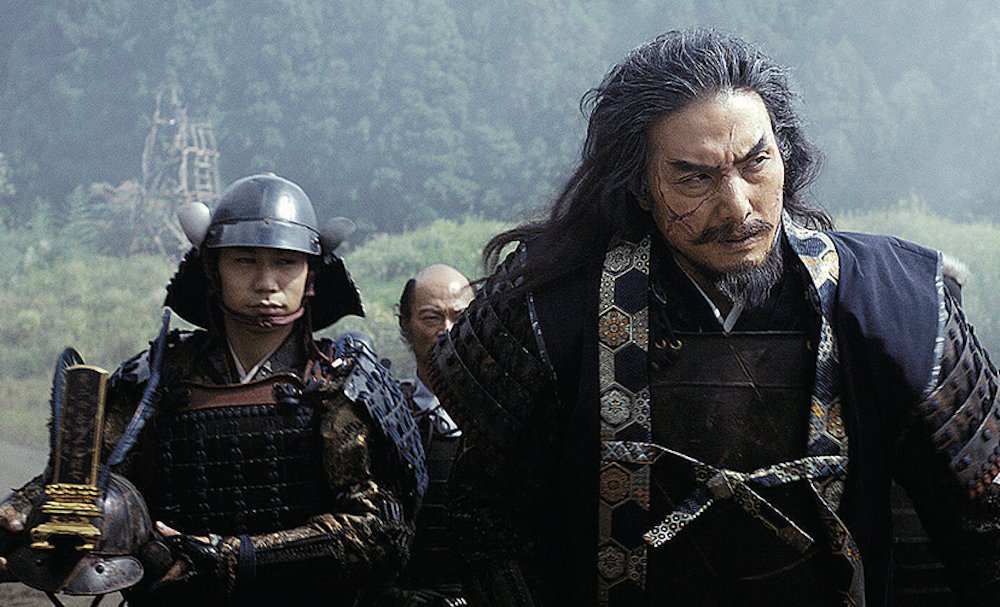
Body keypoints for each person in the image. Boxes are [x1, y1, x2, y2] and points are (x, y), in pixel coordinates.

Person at [425, 29, 1000, 606]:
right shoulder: (548, 309)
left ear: (785, 154)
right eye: (695, 177)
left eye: (756, 163)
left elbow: (982, 530)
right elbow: (491, 530)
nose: (737, 206)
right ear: (640, 187)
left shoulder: (893, 300)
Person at [0, 174, 426, 606]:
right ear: (212, 269)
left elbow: (381, 534)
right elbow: (79, 487)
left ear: (310, 275)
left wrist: (235, 557)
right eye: (244, 261)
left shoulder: (342, 383)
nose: (266, 282)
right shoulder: (153, 380)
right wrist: (17, 515)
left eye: (285, 262)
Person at [388, 264, 474, 606]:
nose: (447, 330)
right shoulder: (386, 416)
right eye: (431, 318)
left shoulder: (504, 412)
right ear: (406, 324)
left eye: (460, 317)